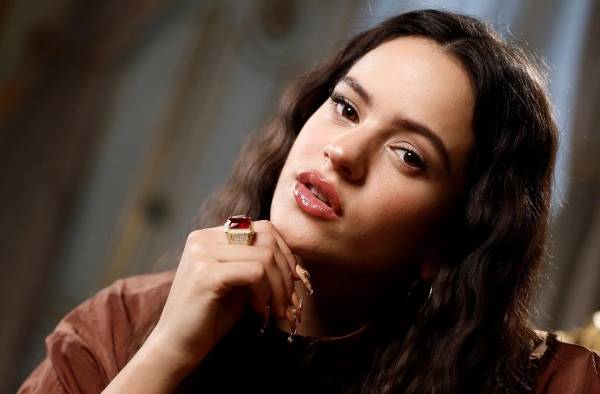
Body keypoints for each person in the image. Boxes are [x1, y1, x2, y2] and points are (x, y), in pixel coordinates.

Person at [18, 8, 600, 394]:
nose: (344, 152)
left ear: (452, 236)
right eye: (346, 108)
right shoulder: (121, 326)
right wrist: (166, 354)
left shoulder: (557, 384)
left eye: (408, 155)